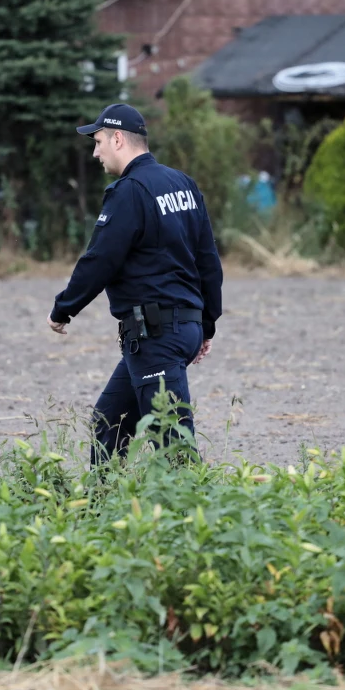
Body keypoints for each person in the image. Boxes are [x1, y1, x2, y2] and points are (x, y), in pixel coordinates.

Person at [48, 103, 223, 462]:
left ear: (117, 139)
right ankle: (100, 512)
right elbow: (208, 260)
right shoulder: (183, 184)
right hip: (179, 328)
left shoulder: (129, 191)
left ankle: (200, 517)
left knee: (173, 447)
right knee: (109, 422)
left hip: (156, 333)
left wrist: (64, 309)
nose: (95, 152)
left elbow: (100, 260)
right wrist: (206, 324)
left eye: (97, 142)